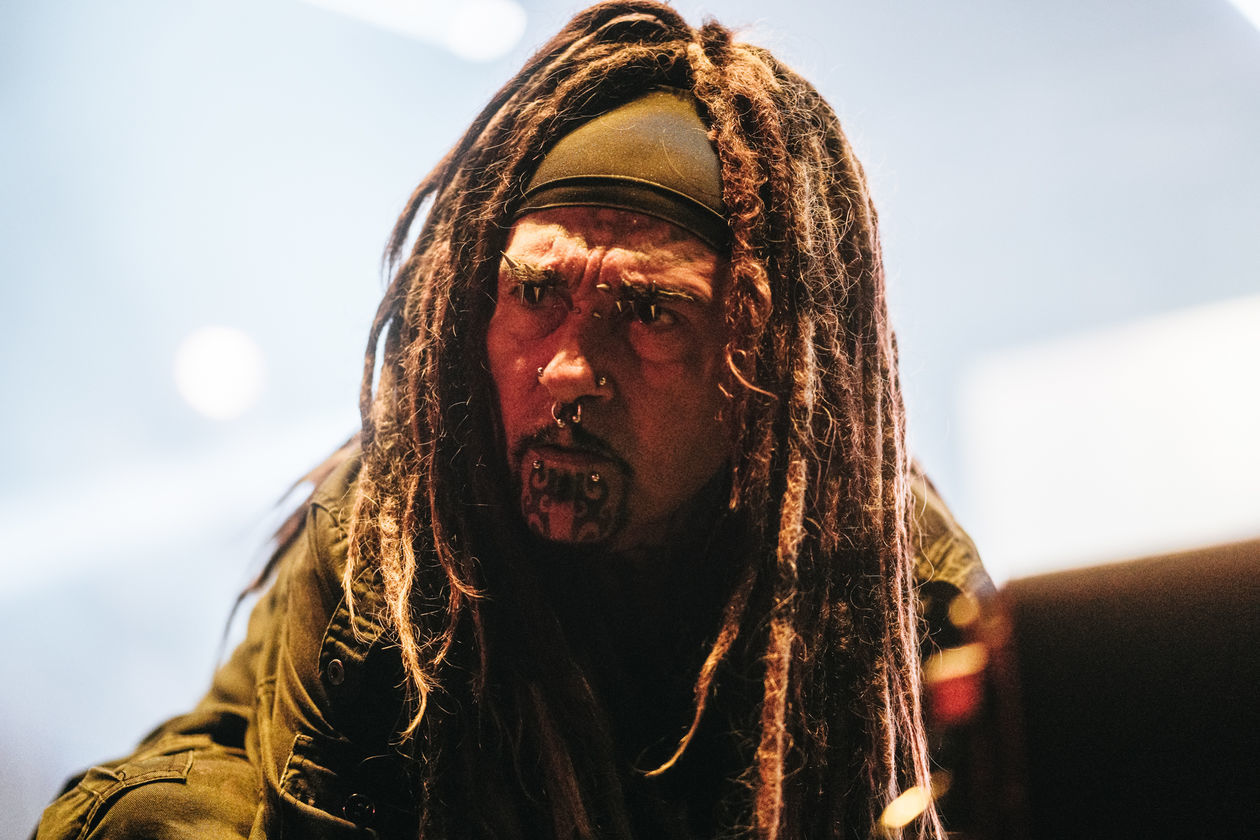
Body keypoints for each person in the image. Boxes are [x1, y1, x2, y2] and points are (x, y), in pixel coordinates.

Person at [36, 2, 990, 838]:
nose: (569, 371)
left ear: (763, 369)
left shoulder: (904, 587)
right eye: (535, 293)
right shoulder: (389, 541)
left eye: (651, 313)